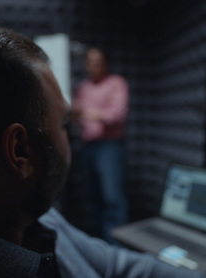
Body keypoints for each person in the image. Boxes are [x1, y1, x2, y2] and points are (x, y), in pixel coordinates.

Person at [0, 21, 206, 278]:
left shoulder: (27, 214)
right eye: (63, 124)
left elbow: (120, 266)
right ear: (20, 152)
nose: (68, 133)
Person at [72, 47, 129, 243]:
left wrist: (85, 112)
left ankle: (116, 249)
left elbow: (116, 116)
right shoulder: (82, 88)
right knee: (94, 199)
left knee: (113, 200)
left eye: (98, 62)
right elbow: (79, 119)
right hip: (88, 147)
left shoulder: (116, 83)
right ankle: (101, 247)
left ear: (105, 64)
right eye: (90, 62)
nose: (94, 67)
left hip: (109, 147)